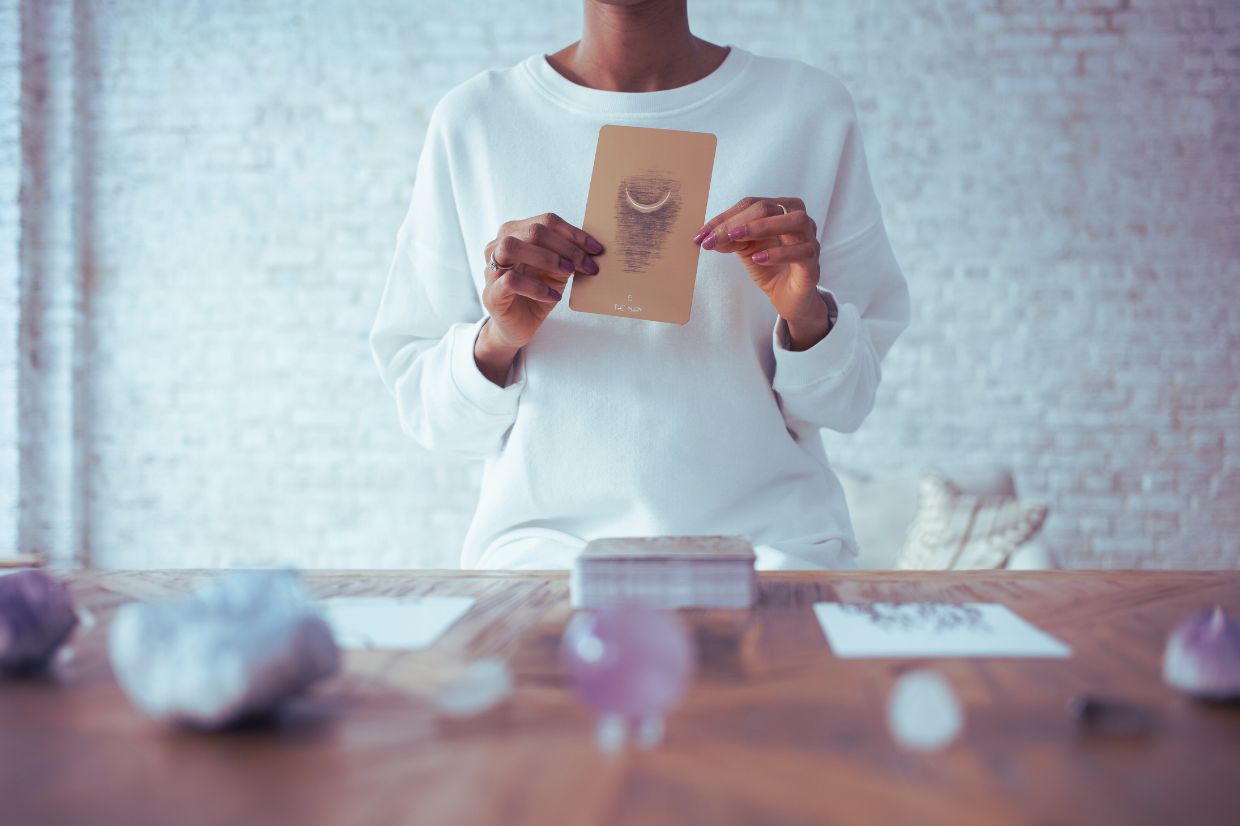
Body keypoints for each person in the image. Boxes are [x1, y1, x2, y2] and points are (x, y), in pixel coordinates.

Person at [368, 0, 910, 570]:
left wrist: (806, 316)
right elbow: (430, 412)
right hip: (543, 562)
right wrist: (497, 338)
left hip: (774, 554)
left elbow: (850, 401)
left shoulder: (809, 112)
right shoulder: (475, 121)